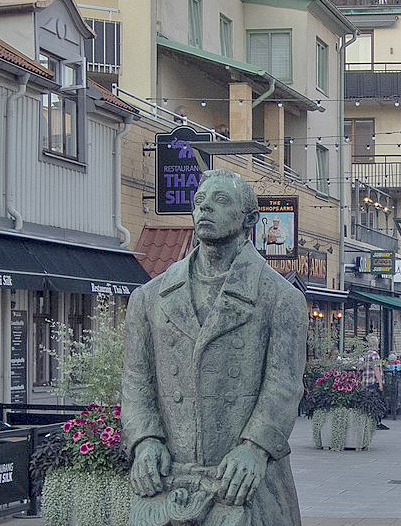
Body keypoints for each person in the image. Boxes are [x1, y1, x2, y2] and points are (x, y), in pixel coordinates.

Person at [122, 169, 308, 526]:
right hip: (168, 482)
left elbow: (283, 386)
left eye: (220, 201)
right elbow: (135, 382)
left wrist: (255, 448)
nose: (205, 209)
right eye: (200, 202)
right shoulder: (149, 298)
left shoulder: (280, 298)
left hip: (242, 481)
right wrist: (144, 440)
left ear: (249, 219)